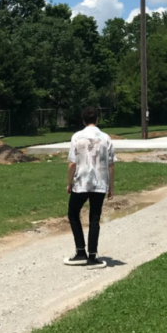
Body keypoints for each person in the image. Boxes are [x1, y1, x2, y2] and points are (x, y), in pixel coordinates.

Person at [64, 106, 116, 269]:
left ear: (83, 120)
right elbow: (111, 164)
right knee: (94, 218)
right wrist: (111, 187)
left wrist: (69, 183)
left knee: (73, 213)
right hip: (99, 183)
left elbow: (72, 163)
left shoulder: (77, 137)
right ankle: (93, 257)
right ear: (97, 119)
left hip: (82, 182)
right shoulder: (106, 138)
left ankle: (80, 252)